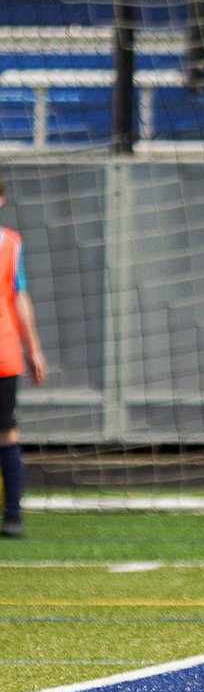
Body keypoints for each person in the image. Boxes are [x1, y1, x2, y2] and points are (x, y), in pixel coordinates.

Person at [0, 180, 47, 538]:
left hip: (3, 354)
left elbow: (19, 296)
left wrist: (33, 348)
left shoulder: (11, 243)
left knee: (6, 431)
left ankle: (13, 515)